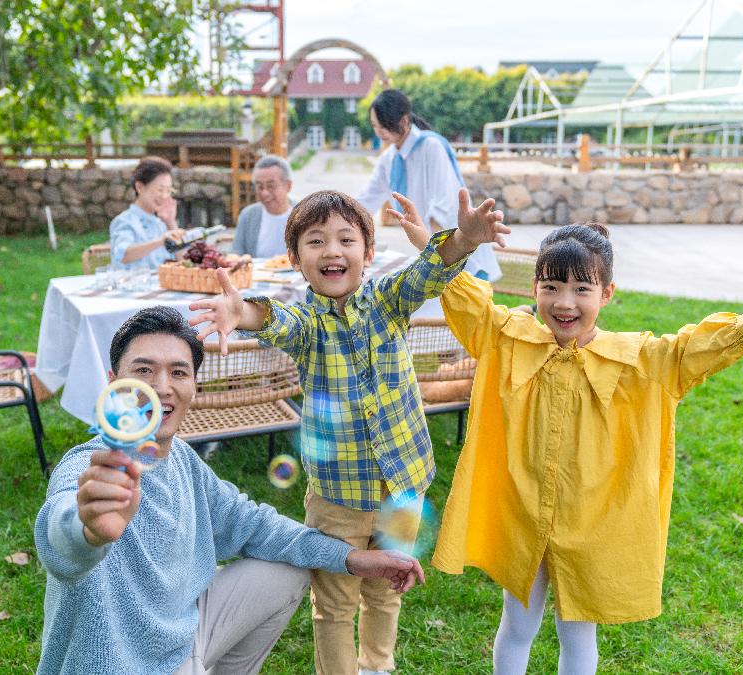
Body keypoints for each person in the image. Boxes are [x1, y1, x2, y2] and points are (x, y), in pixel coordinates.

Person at [388, 200, 743, 674]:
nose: (564, 302)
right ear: (535, 288)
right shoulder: (505, 336)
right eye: (550, 287)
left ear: (607, 292)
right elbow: (461, 291)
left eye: (581, 289)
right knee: (517, 624)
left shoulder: (644, 361)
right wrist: (452, 243)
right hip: (521, 511)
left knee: (578, 633)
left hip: (593, 524)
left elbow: (701, 347)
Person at [189, 189, 509, 675]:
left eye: (345, 239)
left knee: (386, 592)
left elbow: (428, 272)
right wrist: (242, 313)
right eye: (316, 242)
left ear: (368, 253)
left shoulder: (389, 299)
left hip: (405, 485)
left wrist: (463, 239)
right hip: (338, 497)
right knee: (335, 605)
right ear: (296, 260)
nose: (333, 251)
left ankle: (378, 666)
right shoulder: (308, 325)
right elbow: (276, 319)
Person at [34, 306, 426, 674]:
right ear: (113, 383)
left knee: (285, 571)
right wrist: (87, 532)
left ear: (194, 385)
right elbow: (60, 536)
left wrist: (352, 558)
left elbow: (253, 525)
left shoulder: (183, 460)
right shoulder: (88, 467)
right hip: (121, 663)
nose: (161, 387)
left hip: (182, 637)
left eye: (179, 372)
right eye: (144, 370)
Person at [356, 89, 501, 283]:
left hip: (453, 244)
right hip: (430, 251)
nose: (379, 131)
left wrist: (434, 255)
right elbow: (366, 200)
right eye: (375, 125)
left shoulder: (431, 146)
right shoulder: (389, 159)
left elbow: (443, 203)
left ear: (404, 121)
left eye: (384, 125)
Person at [109, 156, 187, 270]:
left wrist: (171, 222)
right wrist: (160, 242)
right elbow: (123, 255)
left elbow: (184, 262)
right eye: (160, 189)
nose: (165, 196)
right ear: (139, 187)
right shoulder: (124, 221)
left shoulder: (161, 224)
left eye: (168, 190)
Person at [231, 154, 297, 258]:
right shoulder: (248, 215)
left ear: (288, 186)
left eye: (271, 186)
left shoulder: (303, 214)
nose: (265, 193)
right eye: (260, 187)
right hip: (257, 274)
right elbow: (236, 253)